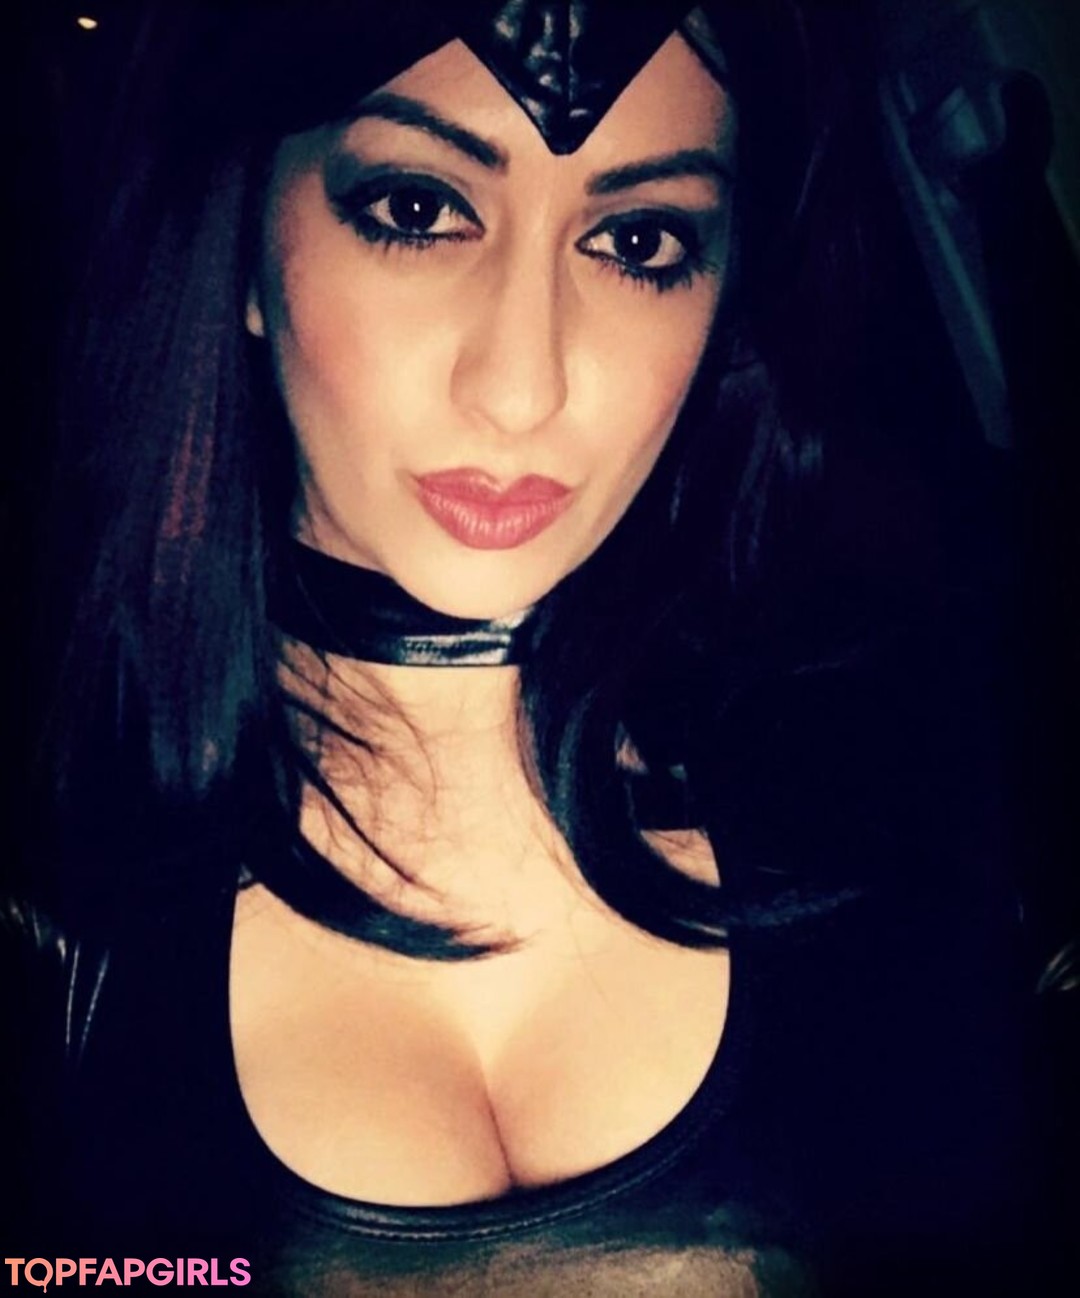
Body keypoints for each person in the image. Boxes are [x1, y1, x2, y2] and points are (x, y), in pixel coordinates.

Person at [6, 2, 1036, 1293]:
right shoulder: (52, 925)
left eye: (637, 240)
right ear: (243, 235)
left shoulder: (892, 810)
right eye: (418, 210)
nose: (521, 386)